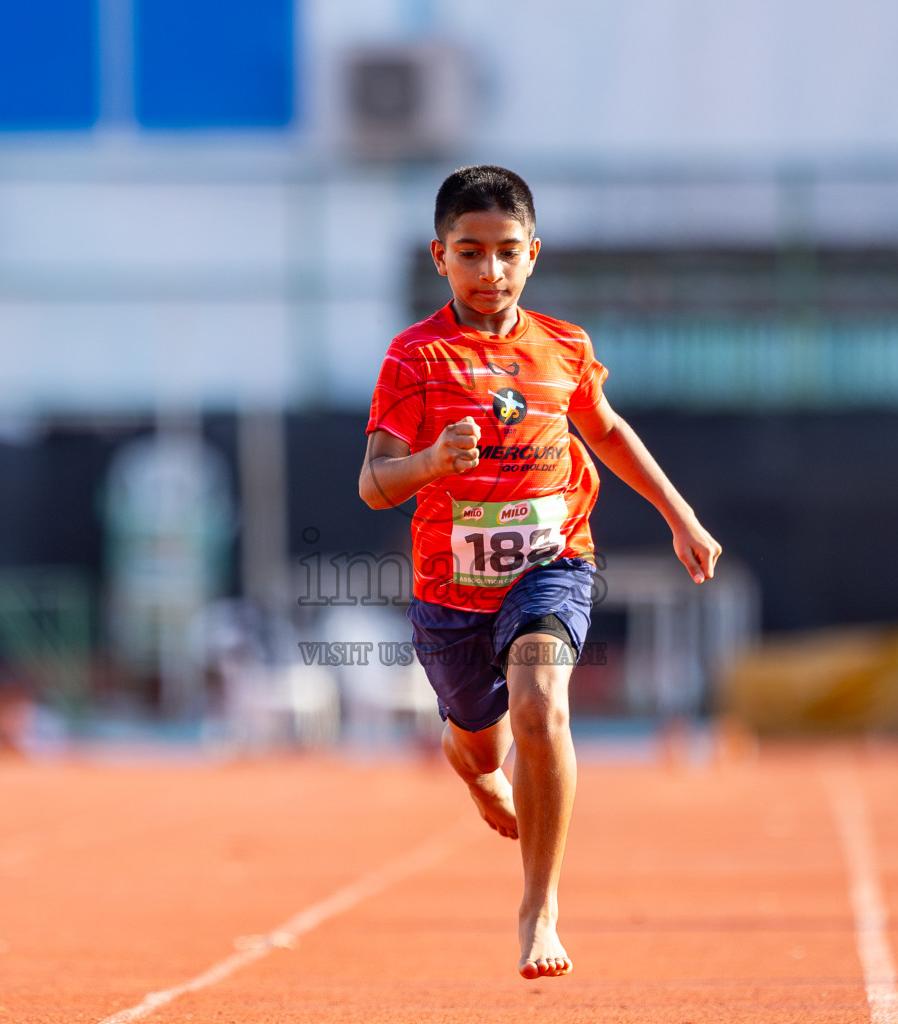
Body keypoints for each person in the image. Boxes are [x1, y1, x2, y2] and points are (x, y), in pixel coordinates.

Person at [358, 166, 721, 979]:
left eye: (507, 253)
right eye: (470, 253)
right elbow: (372, 484)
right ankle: (481, 776)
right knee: (477, 749)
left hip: (553, 566)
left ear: (533, 256)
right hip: (450, 593)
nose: (490, 271)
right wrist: (429, 461)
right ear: (439, 257)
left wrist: (680, 517)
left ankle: (539, 909)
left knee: (540, 700)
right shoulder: (415, 358)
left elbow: (612, 432)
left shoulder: (563, 347)